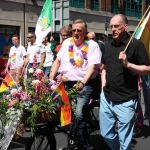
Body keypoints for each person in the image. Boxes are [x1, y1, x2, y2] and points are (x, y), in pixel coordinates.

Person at [100, 14, 149, 150]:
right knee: (106, 134)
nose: (113, 29)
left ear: (125, 26)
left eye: (117, 26)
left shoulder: (136, 45)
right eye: (111, 27)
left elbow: (147, 69)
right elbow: (103, 67)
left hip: (126, 100)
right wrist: (103, 86)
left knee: (125, 141)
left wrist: (128, 65)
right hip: (107, 98)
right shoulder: (107, 45)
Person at [50, 19, 101, 149]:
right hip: (67, 82)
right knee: (67, 113)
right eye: (74, 30)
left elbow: (92, 67)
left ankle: (84, 143)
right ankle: (73, 140)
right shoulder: (67, 43)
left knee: (78, 113)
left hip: (85, 83)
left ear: (85, 32)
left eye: (79, 30)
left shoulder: (92, 45)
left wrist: (83, 82)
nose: (76, 33)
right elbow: (57, 61)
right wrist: (51, 78)